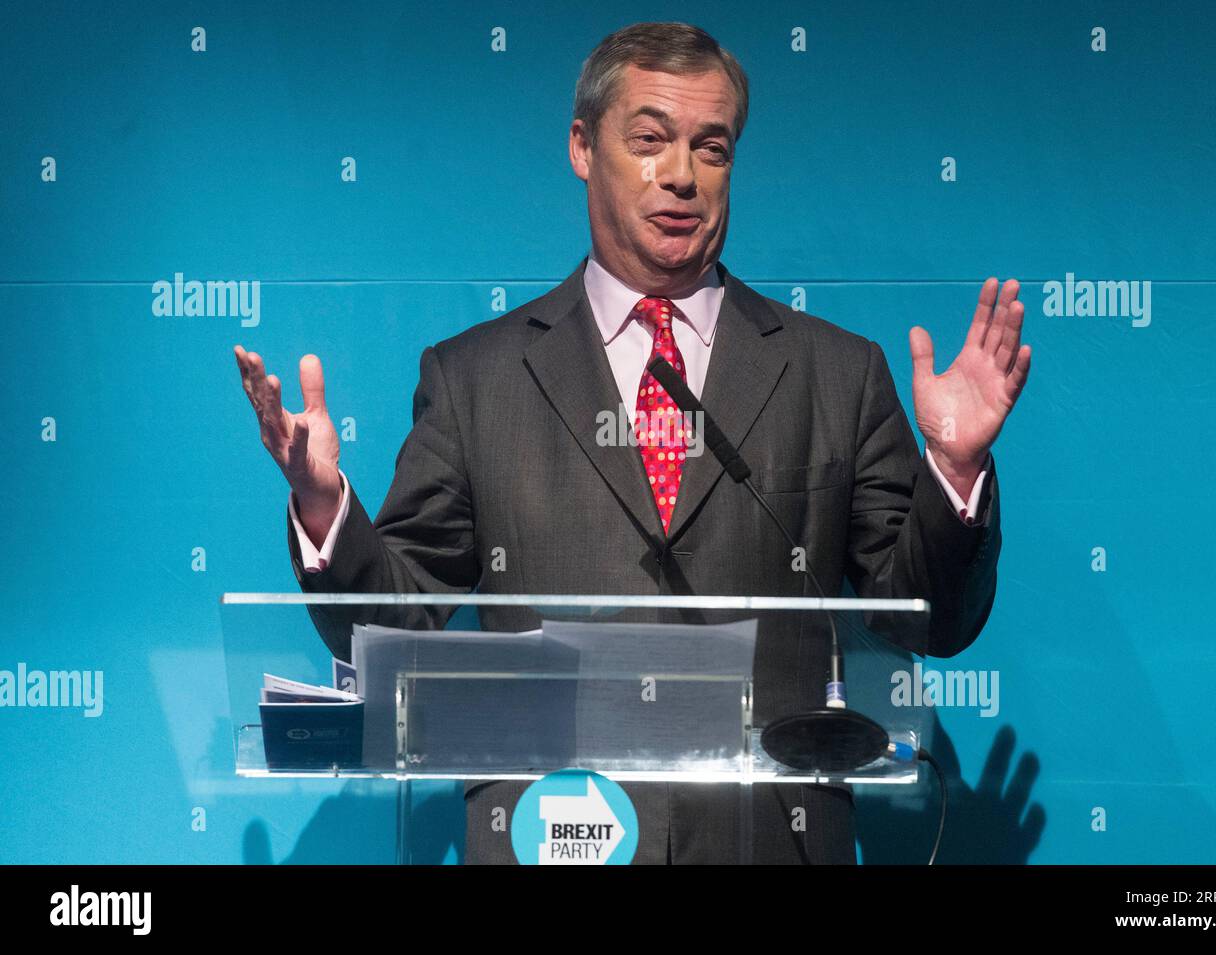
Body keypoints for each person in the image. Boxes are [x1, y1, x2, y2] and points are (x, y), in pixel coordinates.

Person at [234, 21, 1030, 864]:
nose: (681, 175)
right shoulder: (476, 379)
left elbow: (929, 619)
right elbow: (394, 620)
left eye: (711, 148)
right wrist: (324, 508)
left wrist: (955, 470)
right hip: (552, 835)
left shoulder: (838, 373)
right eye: (650, 140)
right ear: (583, 147)